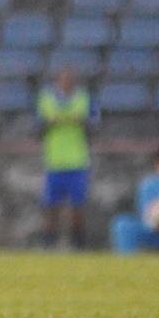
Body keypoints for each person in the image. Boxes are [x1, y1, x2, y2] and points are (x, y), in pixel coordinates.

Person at [37, 66, 96, 250]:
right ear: (58, 81)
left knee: (77, 206)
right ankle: (49, 243)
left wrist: (81, 121)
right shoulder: (46, 99)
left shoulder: (84, 99)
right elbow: (37, 128)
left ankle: (77, 243)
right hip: (54, 160)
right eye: (64, 79)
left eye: (70, 79)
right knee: (51, 206)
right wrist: (50, 122)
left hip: (77, 161)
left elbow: (94, 127)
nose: (67, 82)